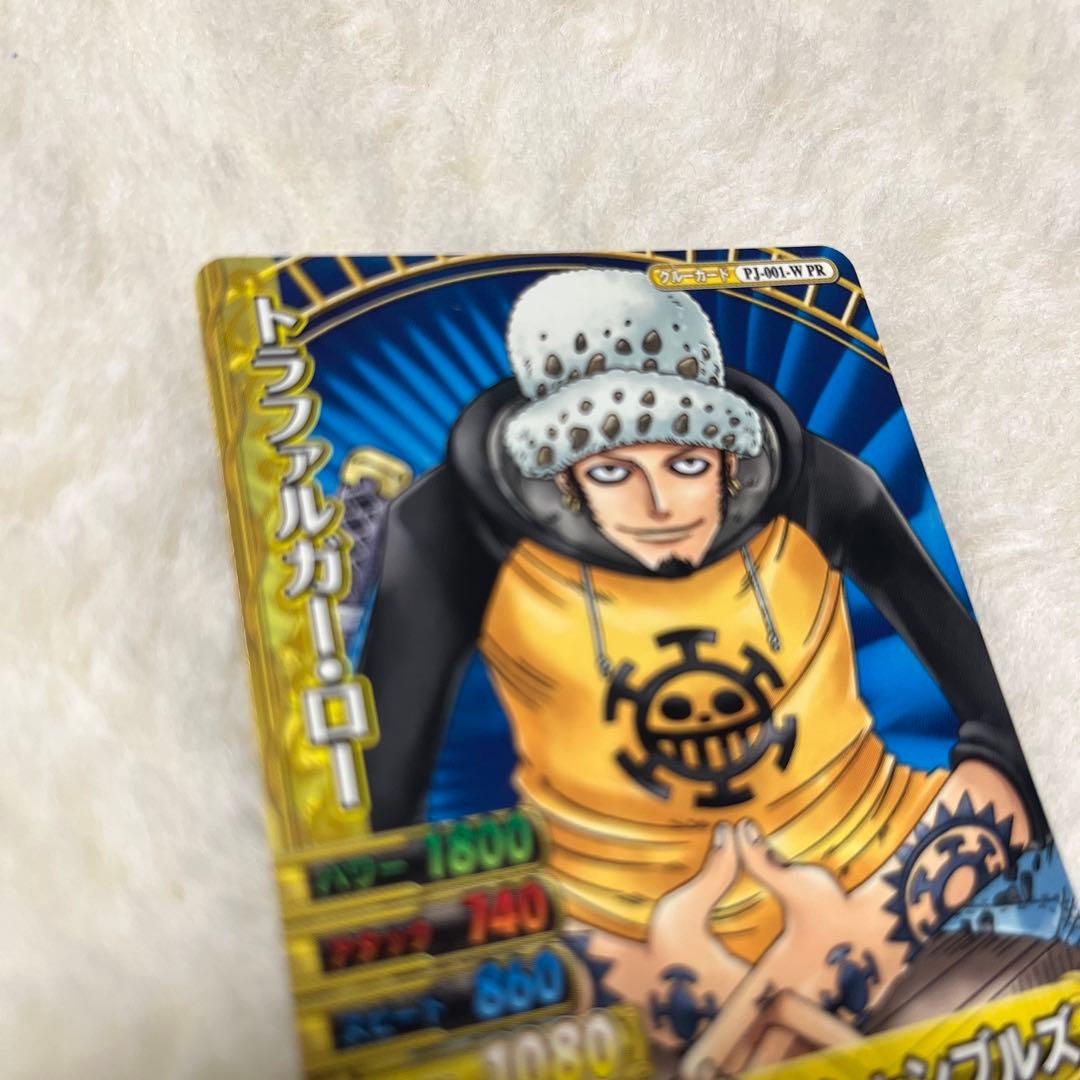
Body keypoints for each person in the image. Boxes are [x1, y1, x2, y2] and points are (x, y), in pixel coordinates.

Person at [361, 269, 1045, 1070]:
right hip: (620, 958)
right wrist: (628, 971)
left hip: (900, 900)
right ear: (563, 479)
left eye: (686, 462)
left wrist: (868, 933)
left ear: (728, 453)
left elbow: (1012, 736)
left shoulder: (824, 487)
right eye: (612, 471)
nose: (660, 505)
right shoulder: (450, 529)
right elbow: (376, 838)